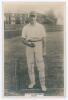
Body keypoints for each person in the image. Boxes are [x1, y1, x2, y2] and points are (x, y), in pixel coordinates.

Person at [22, 11, 47, 91]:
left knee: (41, 66)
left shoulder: (40, 26)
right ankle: (32, 83)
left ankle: (43, 85)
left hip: (38, 45)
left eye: (34, 16)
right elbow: (23, 40)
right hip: (29, 46)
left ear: (36, 17)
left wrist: (44, 51)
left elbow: (44, 39)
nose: (32, 18)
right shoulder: (25, 27)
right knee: (30, 65)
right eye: (31, 16)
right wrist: (29, 44)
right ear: (29, 17)